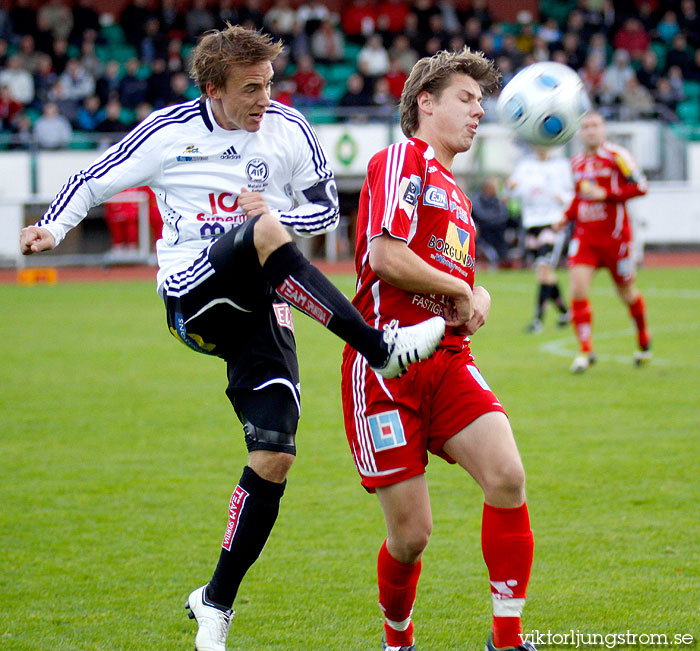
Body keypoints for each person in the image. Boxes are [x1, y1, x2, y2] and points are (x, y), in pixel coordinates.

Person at [19, 25, 444, 651]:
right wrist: (52, 230)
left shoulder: (289, 130)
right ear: (212, 89)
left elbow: (324, 209)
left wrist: (268, 213)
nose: (264, 99)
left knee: (275, 452)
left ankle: (214, 602)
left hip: (261, 306)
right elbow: (95, 177)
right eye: (250, 89)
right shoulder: (168, 131)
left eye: (269, 84)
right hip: (193, 294)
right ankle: (377, 349)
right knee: (262, 234)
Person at [340, 47, 537, 651]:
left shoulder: (458, 196)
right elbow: (387, 257)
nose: (480, 111)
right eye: (467, 98)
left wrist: (473, 293)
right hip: (384, 370)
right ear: (425, 102)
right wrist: (461, 286)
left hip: (446, 361)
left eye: (482, 102)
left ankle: (507, 641)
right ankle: (397, 638)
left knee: (507, 476)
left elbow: (449, 281)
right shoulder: (403, 159)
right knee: (412, 537)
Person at [557, 111, 651, 373]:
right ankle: (585, 351)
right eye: (585, 126)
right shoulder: (576, 163)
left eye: (595, 125)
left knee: (627, 293)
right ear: (579, 132)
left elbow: (641, 187)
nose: (590, 130)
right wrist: (565, 218)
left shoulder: (617, 157)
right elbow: (579, 197)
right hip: (585, 237)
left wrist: (607, 194)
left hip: (615, 239)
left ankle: (643, 338)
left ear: (603, 129)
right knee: (577, 289)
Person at [507, 146, 573, 333]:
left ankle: (538, 320)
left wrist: (560, 198)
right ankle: (564, 312)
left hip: (552, 224)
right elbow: (512, 191)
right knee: (545, 274)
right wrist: (510, 187)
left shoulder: (561, 167)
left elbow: (571, 195)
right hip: (532, 225)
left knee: (544, 271)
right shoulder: (525, 166)